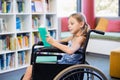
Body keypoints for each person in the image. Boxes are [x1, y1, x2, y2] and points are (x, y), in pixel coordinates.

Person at [22, 12, 90, 80]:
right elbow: (59, 41)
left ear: (81, 24)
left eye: (72, 24)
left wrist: (53, 42)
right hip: (64, 61)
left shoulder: (80, 38)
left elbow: (70, 50)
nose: (69, 26)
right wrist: (49, 39)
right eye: (68, 24)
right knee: (32, 67)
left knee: (32, 69)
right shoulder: (73, 36)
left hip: (67, 66)